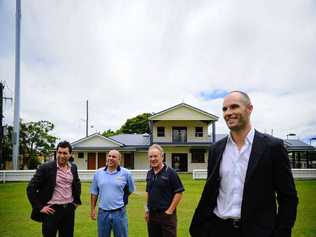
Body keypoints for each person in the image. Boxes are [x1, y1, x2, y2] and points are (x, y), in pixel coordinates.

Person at [190, 91, 298, 237]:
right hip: (219, 229)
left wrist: (281, 231)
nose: (228, 112)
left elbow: (288, 197)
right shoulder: (216, 149)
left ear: (249, 109)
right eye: (225, 109)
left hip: (258, 231)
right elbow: (210, 192)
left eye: (234, 107)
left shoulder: (273, 147)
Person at [27, 141, 81, 237]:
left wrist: (76, 201)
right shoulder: (46, 168)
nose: (61, 155)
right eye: (59, 152)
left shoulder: (73, 167)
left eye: (65, 153)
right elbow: (31, 188)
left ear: (70, 154)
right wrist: (40, 207)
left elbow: (77, 183)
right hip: (52, 210)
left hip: (69, 210)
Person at [90, 150, 135, 237]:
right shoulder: (98, 173)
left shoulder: (126, 174)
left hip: (119, 213)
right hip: (103, 213)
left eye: (114, 157)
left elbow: (130, 190)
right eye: (109, 156)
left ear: (119, 160)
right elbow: (94, 193)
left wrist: (121, 199)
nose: (110, 158)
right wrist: (92, 209)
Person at [145, 144, 185, 237]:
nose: (153, 159)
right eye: (150, 157)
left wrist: (170, 211)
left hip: (166, 215)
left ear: (162, 156)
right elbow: (148, 192)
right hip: (152, 215)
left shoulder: (170, 172)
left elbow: (179, 192)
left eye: (155, 156)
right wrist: (147, 210)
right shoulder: (149, 173)